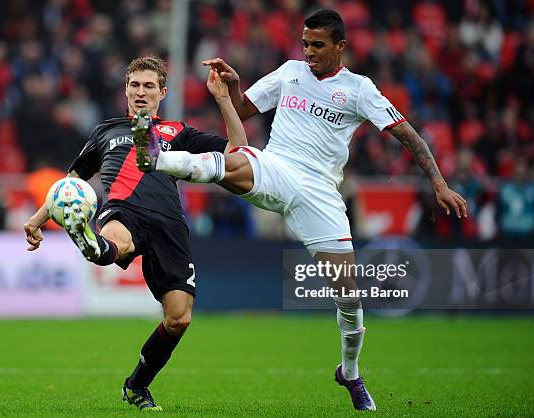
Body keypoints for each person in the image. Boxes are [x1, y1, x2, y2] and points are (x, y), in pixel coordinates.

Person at [135, 10, 468, 411]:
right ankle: (156, 157)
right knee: (235, 160)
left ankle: (350, 371)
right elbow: (242, 113)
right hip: (277, 167)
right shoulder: (289, 72)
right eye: (305, 43)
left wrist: (438, 182)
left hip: (320, 194)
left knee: (348, 297)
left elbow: (407, 134)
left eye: (317, 45)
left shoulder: (359, 89)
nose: (308, 52)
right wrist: (232, 89)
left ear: (340, 46)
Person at [23, 56, 246, 411]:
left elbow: (236, 150)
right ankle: (95, 245)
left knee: (178, 318)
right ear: (125, 89)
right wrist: (38, 218)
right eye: (134, 85)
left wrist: (223, 99)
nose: (141, 92)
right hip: (124, 209)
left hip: (170, 223)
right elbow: (71, 183)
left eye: (148, 86)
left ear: (162, 92)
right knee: (119, 242)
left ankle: (136, 386)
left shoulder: (179, 132)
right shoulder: (105, 131)